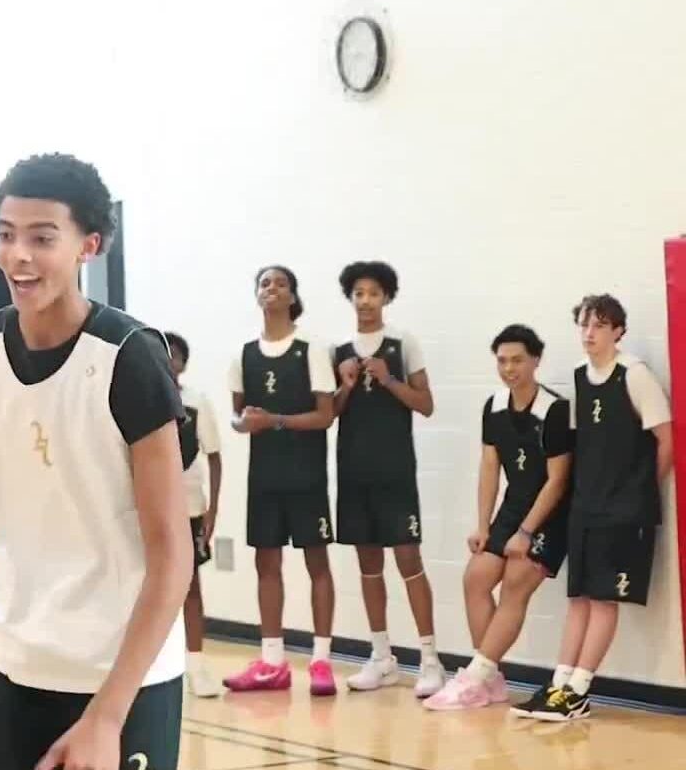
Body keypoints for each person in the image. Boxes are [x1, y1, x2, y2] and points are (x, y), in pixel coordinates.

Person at [0, 154, 191, 770]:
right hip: (20, 661)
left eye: (42, 238)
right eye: (6, 235)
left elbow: (173, 553)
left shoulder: (129, 357)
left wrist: (108, 716)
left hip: (123, 675)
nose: (19, 255)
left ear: (88, 245)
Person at [513, 294, 673, 722]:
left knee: (604, 600)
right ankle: (560, 682)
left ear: (618, 330)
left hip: (623, 511)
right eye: (584, 324)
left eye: (600, 325)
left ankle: (580, 690)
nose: (590, 333)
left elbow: (666, 442)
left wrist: (637, 493)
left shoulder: (635, 376)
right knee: (579, 598)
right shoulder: (580, 379)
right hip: (586, 507)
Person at [423, 325, 573, 711]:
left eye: (518, 360)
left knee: (514, 584)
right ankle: (492, 680)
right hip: (512, 507)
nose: (510, 368)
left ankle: (473, 677)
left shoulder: (555, 410)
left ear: (536, 360)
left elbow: (558, 481)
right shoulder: (493, 406)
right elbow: (490, 466)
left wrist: (525, 532)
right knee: (475, 578)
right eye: (503, 360)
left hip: (550, 516)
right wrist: (483, 525)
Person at [222, 265, 338, 697]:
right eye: (264, 283)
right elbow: (237, 416)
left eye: (281, 283)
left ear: (292, 296)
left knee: (317, 564)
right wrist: (244, 423)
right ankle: (272, 661)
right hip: (264, 477)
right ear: (257, 296)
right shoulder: (244, 354)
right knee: (266, 565)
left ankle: (322, 661)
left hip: (305, 475)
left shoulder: (311, 350)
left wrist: (275, 421)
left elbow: (325, 415)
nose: (272, 289)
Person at [331, 261, 443, 697]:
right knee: (368, 566)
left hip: (395, 472)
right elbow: (330, 414)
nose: (365, 301)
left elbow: (426, 403)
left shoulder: (402, 343)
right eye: (358, 293)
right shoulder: (339, 350)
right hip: (354, 473)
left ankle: (430, 660)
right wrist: (346, 385)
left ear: (386, 298)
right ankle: (382, 657)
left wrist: (388, 379)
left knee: (409, 562)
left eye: (373, 293)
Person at [164, 331, 223, 699]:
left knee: (190, 589)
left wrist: (213, 509)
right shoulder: (136, 400)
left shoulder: (197, 403)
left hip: (188, 508)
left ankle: (197, 665)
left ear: (183, 363)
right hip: (147, 512)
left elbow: (214, 457)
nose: (167, 360)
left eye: (174, 355)